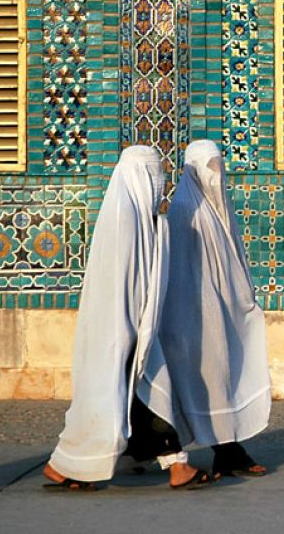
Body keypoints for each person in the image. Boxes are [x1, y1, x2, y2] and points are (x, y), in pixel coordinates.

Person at [44, 146, 214, 491]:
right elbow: (123, 286)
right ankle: (176, 466)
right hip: (125, 332)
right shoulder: (124, 220)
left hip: (132, 330)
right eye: (153, 176)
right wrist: (131, 333)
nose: (159, 185)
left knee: (119, 398)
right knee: (148, 393)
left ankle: (65, 466)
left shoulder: (142, 219)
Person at [138, 139, 270, 477]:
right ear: (194, 170)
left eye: (219, 166)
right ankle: (221, 452)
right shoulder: (184, 209)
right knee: (205, 383)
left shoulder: (219, 207)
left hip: (218, 315)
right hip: (191, 320)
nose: (217, 175)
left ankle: (228, 452)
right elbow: (182, 274)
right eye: (210, 168)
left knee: (221, 380)